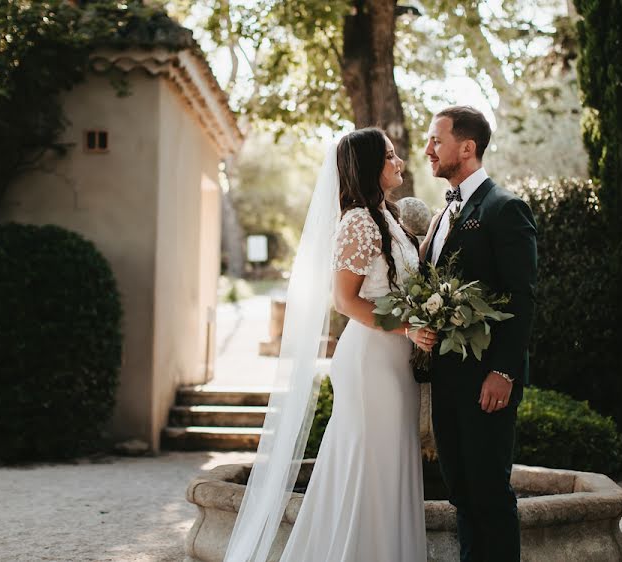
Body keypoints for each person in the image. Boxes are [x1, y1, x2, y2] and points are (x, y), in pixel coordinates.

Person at [223, 127, 436, 562]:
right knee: (368, 464)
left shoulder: (389, 217)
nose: (399, 163)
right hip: (370, 360)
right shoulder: (357, 220)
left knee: (391, 463)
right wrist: (408, 329)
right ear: (369, 165)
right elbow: (345, 300)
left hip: (396, 359)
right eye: (390, 156)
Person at [419, 106, 538, 562]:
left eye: (437, 140)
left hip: (488, 380)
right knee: (462, 493)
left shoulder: (505, 208)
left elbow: (521, 297)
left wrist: (504, 371)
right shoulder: (443, 212)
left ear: (466, 148)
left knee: (489, 491)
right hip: (447, 378)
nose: (429, 149)